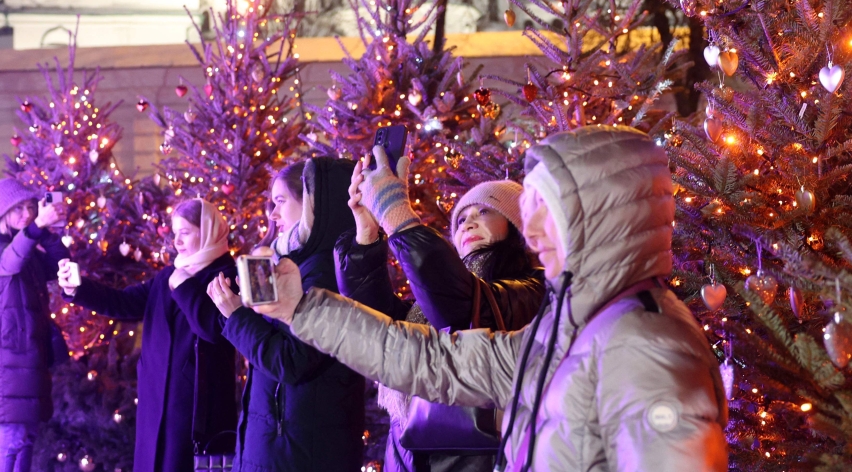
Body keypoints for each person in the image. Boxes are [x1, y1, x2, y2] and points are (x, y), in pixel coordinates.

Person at [253, 127, 730, 472]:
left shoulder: (646, 343)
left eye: (549, 212)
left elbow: (460, 311)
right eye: (530, 212)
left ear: (606, 218)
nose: (535, 230)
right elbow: (429, 358)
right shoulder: (565, 325)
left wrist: (397, 214)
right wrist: (302, 308)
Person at [338, 155, 543, 472]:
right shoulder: (427, 303)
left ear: (518, 227)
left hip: (478, 460)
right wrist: (367, 233)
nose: (469, 223)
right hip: (409, 455)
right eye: (461, 220)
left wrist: (397, 216)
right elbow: (381, 328)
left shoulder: (534, 286)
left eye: (485, 211)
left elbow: (464, 309)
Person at [206, 158, 365, 472]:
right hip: (282, 443)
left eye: (280, 202)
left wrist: (237, 315)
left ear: (311, 205)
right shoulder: (295, 262)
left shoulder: (323, 272)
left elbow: (292, 362)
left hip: (300, 451)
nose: (273, 214)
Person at [56, 199, 238, 472]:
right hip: (156, 403)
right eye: (174, 233)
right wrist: (78, 289)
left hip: (195, 408)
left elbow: (212, 330)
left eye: (185, 232)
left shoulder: (227, 275)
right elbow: (124, 303)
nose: (177, 241)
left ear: (208, 229)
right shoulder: (170, 275)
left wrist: (186, 286)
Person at [0, 178, 69, 472]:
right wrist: (36, 228)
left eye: (30, 207)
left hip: (27, 351)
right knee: (12, 434)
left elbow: (61, 264)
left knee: (26, 435)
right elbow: (7, 263)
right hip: (7, 354)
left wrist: (47, 233)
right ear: (2, 213)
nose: (26, 214)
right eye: (18, 209)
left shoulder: (24, 245)